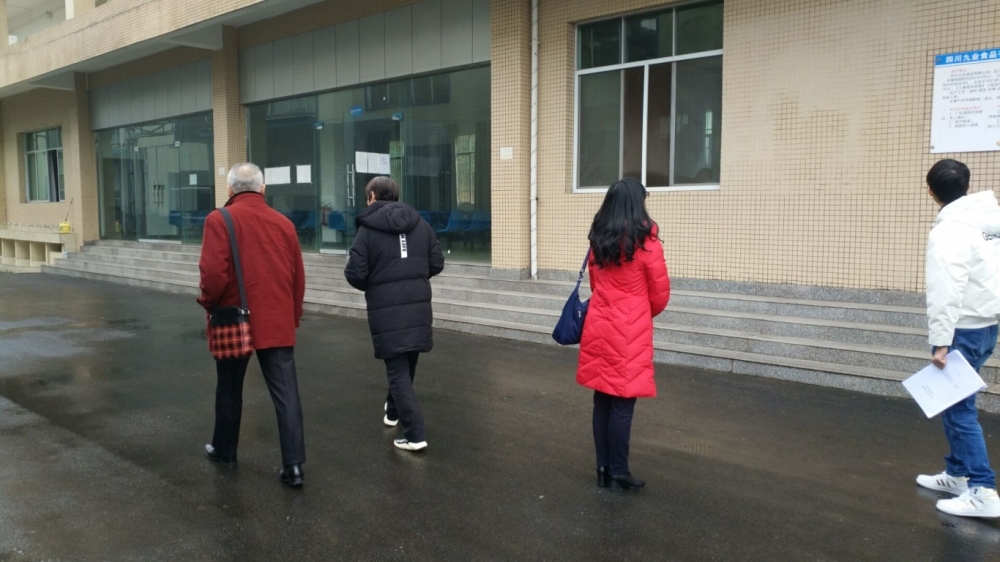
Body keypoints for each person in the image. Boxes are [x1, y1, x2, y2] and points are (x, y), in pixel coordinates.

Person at [197, 162, 307, 488]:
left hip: (233, 319)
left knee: (228, 388)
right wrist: (293, 315)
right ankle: (294, 466)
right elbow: (298, 276)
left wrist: (208, 303)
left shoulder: (219, 219)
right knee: (286, 394)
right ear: (262, 188)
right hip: (277, 319)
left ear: (229, 189)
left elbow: (213, 274)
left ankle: (225, 449)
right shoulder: (284, 223)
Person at [916, 159, 1000, 518]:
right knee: (954, 403)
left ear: (931, 191)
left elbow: (945, 288)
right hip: (985, 324)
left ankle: (982, 490)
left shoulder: (949, 230)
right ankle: (958, 473)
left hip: (961, 328)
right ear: (965, 185)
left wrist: (940, 341)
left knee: (960, 409)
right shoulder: (989, 222)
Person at [577, 177, 670, 491]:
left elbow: (595, 284)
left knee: (602, 398)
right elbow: (660, 295)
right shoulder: (647, 244)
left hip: (599, 324)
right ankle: (619, 469)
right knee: (623, 401)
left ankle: (603, 466)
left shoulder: (598, 239)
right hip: (630, 330)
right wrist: (638, 312)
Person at [344, 177, 444, 452]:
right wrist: (413, 275)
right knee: (406, 364)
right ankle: (392, 411)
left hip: (386, 310)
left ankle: (415, 435)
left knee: (398, 370)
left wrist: (377, 283)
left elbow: (355, 273)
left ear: (372, 197)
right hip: (417, 305)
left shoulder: (367, 231)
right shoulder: (420, 224)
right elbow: (437, 262)